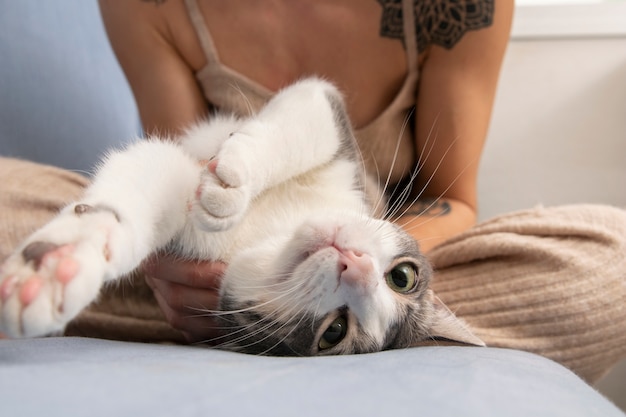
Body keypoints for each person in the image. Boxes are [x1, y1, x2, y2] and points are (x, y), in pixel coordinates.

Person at [0, 0, 624, 384]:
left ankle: (268, 335)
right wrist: (173, 275)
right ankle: (255, 329)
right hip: (205, 260)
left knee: (613, 261)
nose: (357, 273)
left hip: (335, 284)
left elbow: (455, 201)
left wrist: (275, 313)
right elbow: (179, 166)